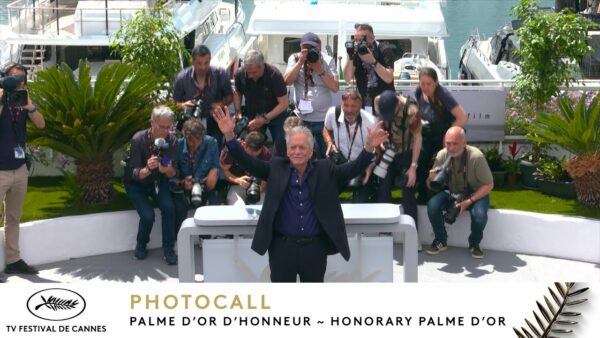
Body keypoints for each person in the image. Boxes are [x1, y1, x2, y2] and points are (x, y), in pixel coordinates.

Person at [212, 105, 388, 283]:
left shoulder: (324, 169)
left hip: (315, 248)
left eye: (302, 147)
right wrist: (229, 135)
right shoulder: (275, 168)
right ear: (287, 151)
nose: (297, 151)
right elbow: (246, 161)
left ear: (311, 151)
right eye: (293, 147)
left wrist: (368, 148)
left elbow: (352, 169)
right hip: (281, 248)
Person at [0, 63, 45, 276]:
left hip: (19, 169)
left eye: (21, 78)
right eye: (13, 78)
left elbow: (41, 124)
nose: (17, 81)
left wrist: (31, 107)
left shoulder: (23, 101)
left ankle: (13, 260)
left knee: (14, 218)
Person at [425, 127, 493, 259]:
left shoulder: (476, 157)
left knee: (479, 215)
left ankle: (474, 243)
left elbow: (489, 185)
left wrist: (469, 201)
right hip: (452, 191)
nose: (450, 148)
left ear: (464, 143)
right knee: (433, 205)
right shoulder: (442, 155)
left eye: (454, 143)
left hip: (475, 192)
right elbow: (431, 186)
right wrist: (431, 179)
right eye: (447, 143)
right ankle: (440, 240)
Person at [123, 106, 178, 265]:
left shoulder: (172, 140)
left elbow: (173, 171)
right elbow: (134, 173)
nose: (166, 131)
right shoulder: (138, 139)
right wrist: (147, 169)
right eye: (162, 127)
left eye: (169, 127)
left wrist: (166, 169)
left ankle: (168, 248)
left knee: (169, 208)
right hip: (136, 183)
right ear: (152, 123)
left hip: (158, 180)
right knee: (148, 216)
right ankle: (141, 244)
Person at [415, 67, 468, 203]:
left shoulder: (443, 94)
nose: (425, 87)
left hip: (446, 134)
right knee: (420, 156)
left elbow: (462, 118)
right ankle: (422, 192)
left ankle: (447, 193)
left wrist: (448, 137)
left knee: (443, 161)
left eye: (429, 84)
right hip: (429, 133)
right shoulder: (418, 92)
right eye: (423, 84)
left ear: (436, 83)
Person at [284, 32, 339, 157]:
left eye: (312, 48)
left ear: (319, 47)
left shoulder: (328, 60)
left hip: (322, 119)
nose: (309, 51)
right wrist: (300, 63)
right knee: (303, 154)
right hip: (302, 118)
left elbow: (335, 87)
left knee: (325, 154)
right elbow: (287, 81)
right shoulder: (295, 58)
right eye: (306, 48)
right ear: (301, 47)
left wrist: (320, 70)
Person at [373, 90, 422, 230]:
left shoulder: (412, 110)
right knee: (383, 187)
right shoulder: (378, 101)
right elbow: (380, 122)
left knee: (408, 190)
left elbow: (418, 138)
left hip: (407, 152)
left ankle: (413, 234)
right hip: (388, 151)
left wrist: (413, 167)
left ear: (397, 105)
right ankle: (383, 232)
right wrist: (382, 141)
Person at [322, 88, 377, 203]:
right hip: (340, 166)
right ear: (341, 104)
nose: (349, 110)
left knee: (360, 205)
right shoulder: (333, 113)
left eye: (353, 106)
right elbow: (326, 129)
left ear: (360, 105)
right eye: (346, 106)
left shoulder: (371, 121)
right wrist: (329, 143)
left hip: (361, 167)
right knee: (325, 198)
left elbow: (378, 149)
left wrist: (370, 167)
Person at [173, 44, 233, 146]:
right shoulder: (182, 78)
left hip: (215, 122)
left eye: (206, 63)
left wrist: (220, 104)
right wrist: (182, 106)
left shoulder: (220, 74)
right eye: (199, 63)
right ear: (193, 61)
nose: (203, 67)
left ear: (210, 60)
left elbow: (230, 96)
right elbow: (174, 102)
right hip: (191, 123)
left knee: (214, 151)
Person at [172, 118, 221, 235]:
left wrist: (213, 174)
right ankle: (179, 239)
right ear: (185, 137)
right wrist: (183, 183)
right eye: (191, 141)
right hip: (184, 189)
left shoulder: (211, 143)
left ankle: (206, 239)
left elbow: (215, 166)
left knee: (214, 205)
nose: (195, 144)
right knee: (178, 208)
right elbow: (172, 177)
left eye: (198, 140)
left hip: (204, 186)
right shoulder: (177, 145)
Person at [234, 50, 289, 143]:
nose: (251, 76)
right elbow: (238, 92)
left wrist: (264, 119)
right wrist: (238, 112)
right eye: (248, 72)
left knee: (280, 145)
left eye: (254, 72)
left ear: (262, 66)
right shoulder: (239, 74)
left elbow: (284, 103)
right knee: (252, 145)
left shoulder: (274, 75)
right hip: (253, 116)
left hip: (276, 116)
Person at [343, 23, 395, 111]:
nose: (359, 42)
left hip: (385, 104)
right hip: (364, 104)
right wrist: (351, 57)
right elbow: (347, 78)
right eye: (356, 39)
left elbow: (389, 78)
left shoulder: (384, 49)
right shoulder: (356, 52)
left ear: (372, 38)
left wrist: (373, 61)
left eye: (362, 39)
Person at [220, 131, 271, 206]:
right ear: (244, 144)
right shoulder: (231, 150)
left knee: (260, 208)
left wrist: (261, 188)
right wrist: (237, 180)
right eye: (250, 153)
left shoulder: (266, 154)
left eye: (255, 153)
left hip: (257, 186)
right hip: (236, 186)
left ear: (261, 148)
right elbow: (225, 171)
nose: (252, 157)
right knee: (238, 208)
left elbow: (267, 175)